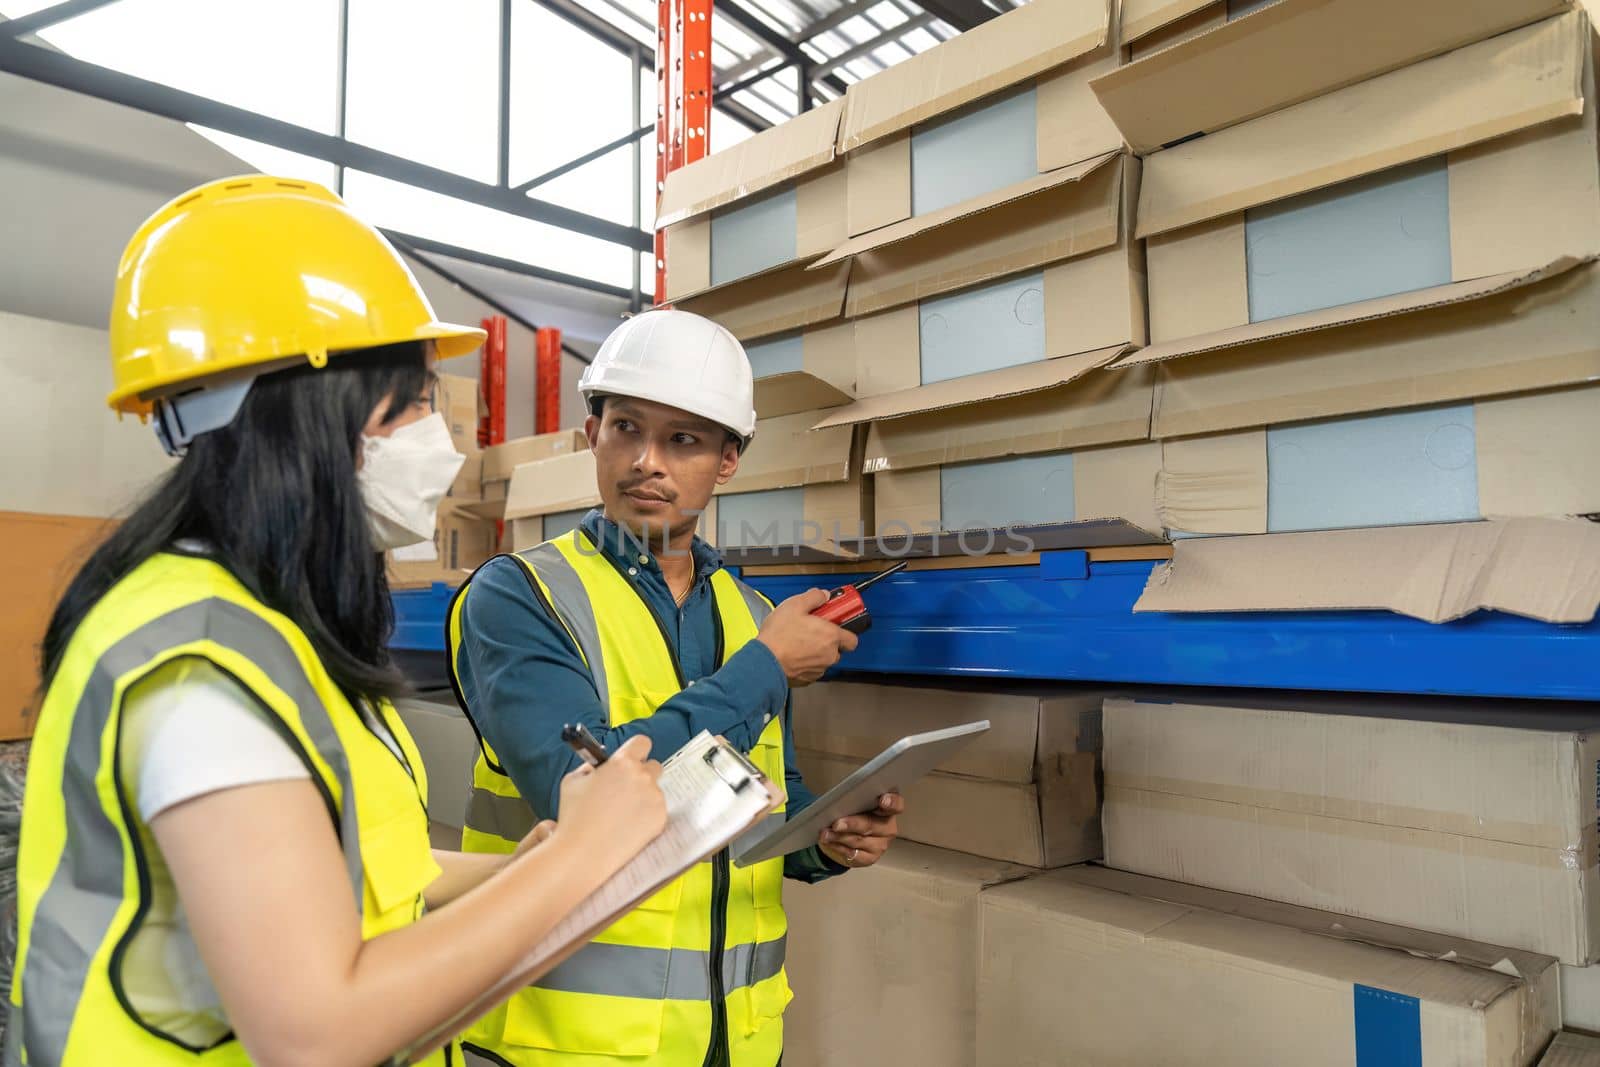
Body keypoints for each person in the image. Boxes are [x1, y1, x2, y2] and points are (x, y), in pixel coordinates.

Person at [4, 176, 670, 1067]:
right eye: (417, 401)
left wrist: (524, 864)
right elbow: (315, 1032)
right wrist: (578, 861)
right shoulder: (200, 661)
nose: (443, 438)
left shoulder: (278, 630)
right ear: (316, 415)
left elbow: (368, 870)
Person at [448, 309, 907, 1067]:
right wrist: (762, 669)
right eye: (626, 427)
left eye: (683, 439)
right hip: (563, 1049)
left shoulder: (751, 616)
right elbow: (579, 793)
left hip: (735, 1046)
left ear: (728, 460)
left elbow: (756, 811)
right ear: (591, 432)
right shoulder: (520, 597)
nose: (646, 461)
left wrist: (822, 843)